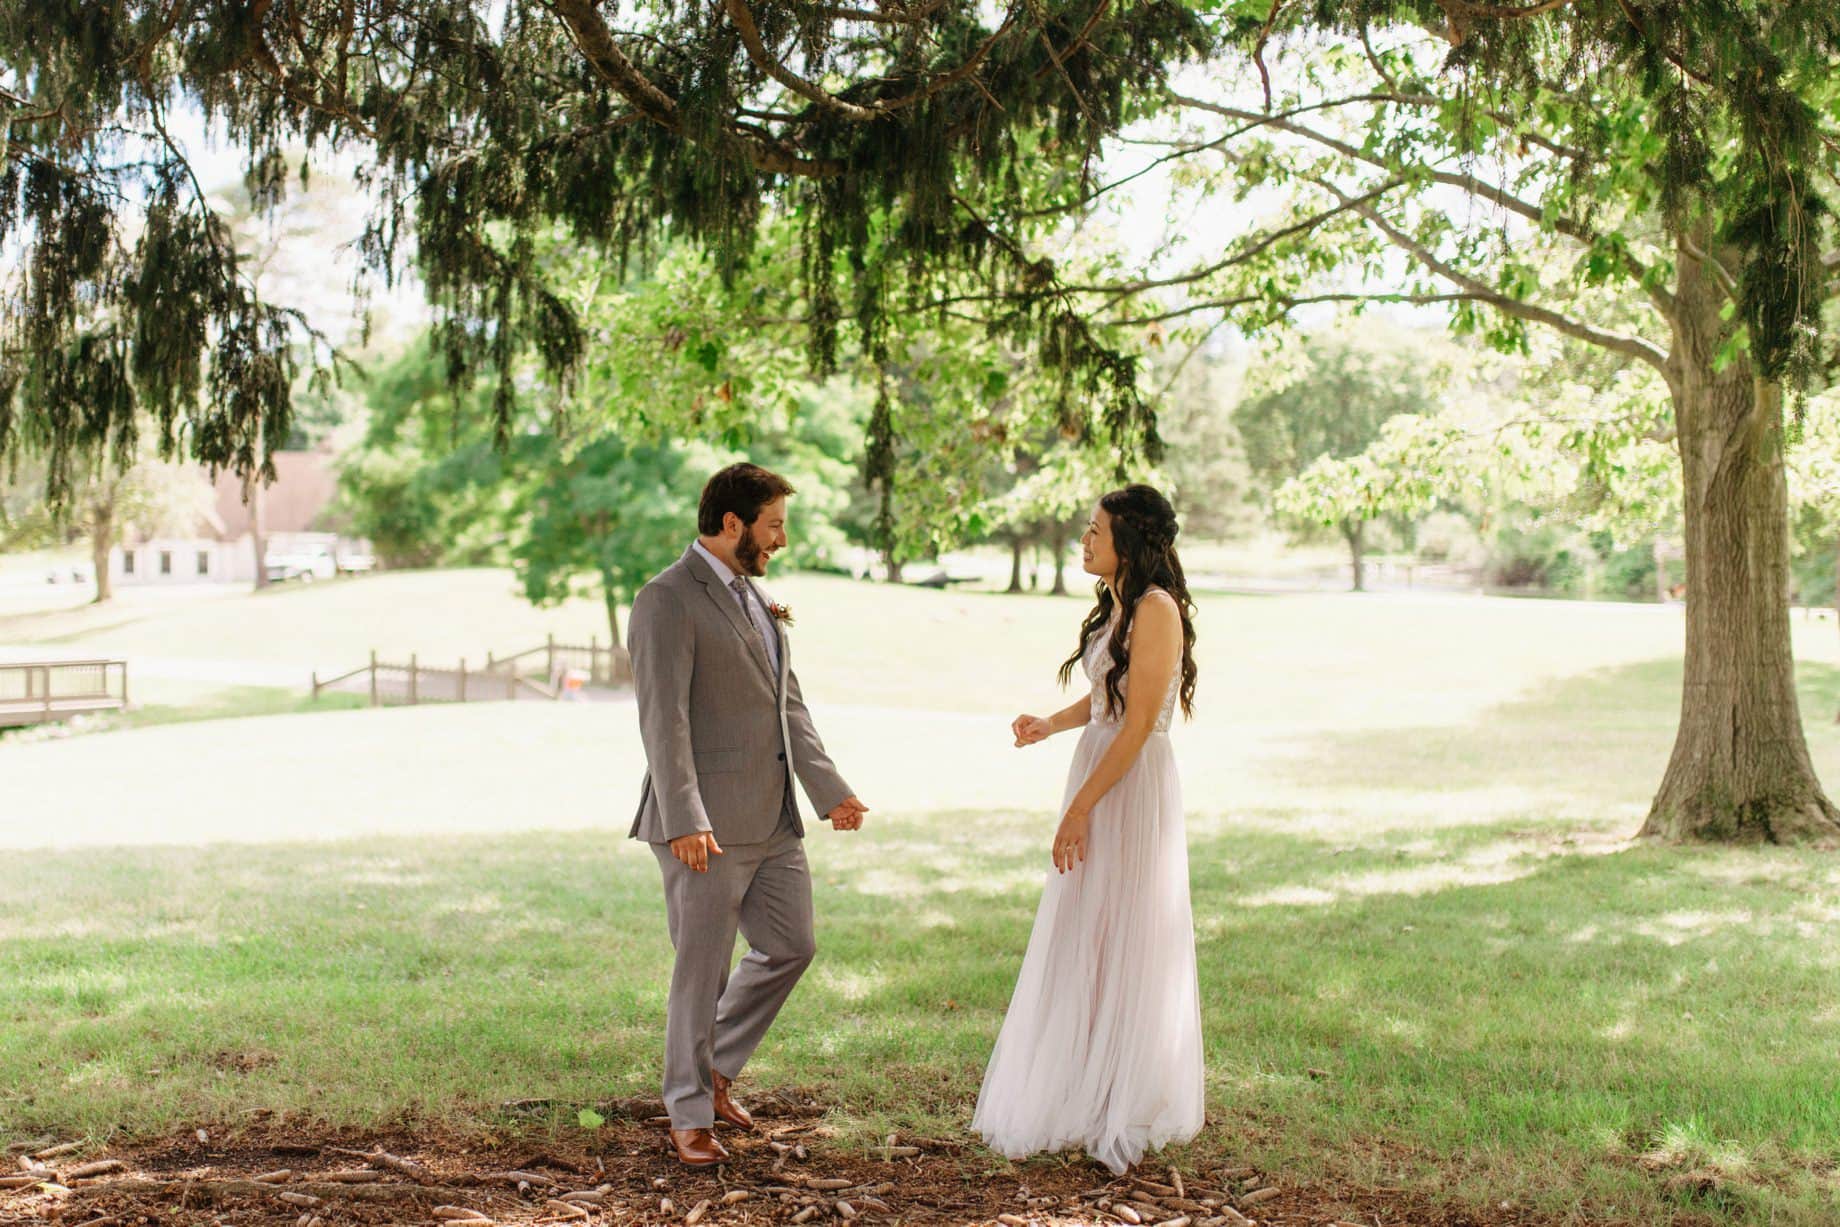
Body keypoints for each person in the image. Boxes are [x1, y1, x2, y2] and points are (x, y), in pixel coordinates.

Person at [628, 462, 869, 1168]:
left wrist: (829, 790)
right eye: (773, 525)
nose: (782, 540)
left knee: (792, 944)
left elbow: (787, 705)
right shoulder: (665, 599)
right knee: (700, 971)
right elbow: (662, 720)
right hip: (700, 826)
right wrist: (684, 815)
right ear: (732, 524)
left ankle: (715, 1067)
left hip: (774, 821)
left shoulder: (755, 600)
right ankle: (688, 1110)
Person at [973, 483, 1204, 1174]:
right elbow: (1109, 697)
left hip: (1128, 787)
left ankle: (1123, 1089)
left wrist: (1080, 809)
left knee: (1123, 926)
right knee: (1089, 926)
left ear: (1128, 537)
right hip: (1101, 771)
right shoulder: (1121, 607)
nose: (1085, 537)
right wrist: (1051, 722)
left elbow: (1137, 726)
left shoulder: (1158, 610)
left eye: (1095, 529)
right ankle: (1086, 1079)